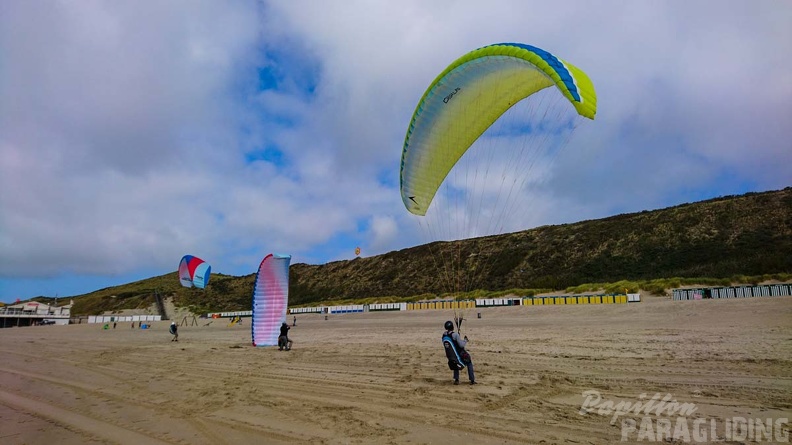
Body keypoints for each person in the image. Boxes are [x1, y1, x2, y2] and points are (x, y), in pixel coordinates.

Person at [444, 320, 476, 385]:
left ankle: (456, 379)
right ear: (452, 327)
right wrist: (465, 340)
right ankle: (472, 380)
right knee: (469, 361)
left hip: (452, 356)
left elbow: (453, 342)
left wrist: (457, 337)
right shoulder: (455, 335)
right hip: (459, 354)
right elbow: (461, 345)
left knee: (455, 360)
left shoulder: (444, 335)